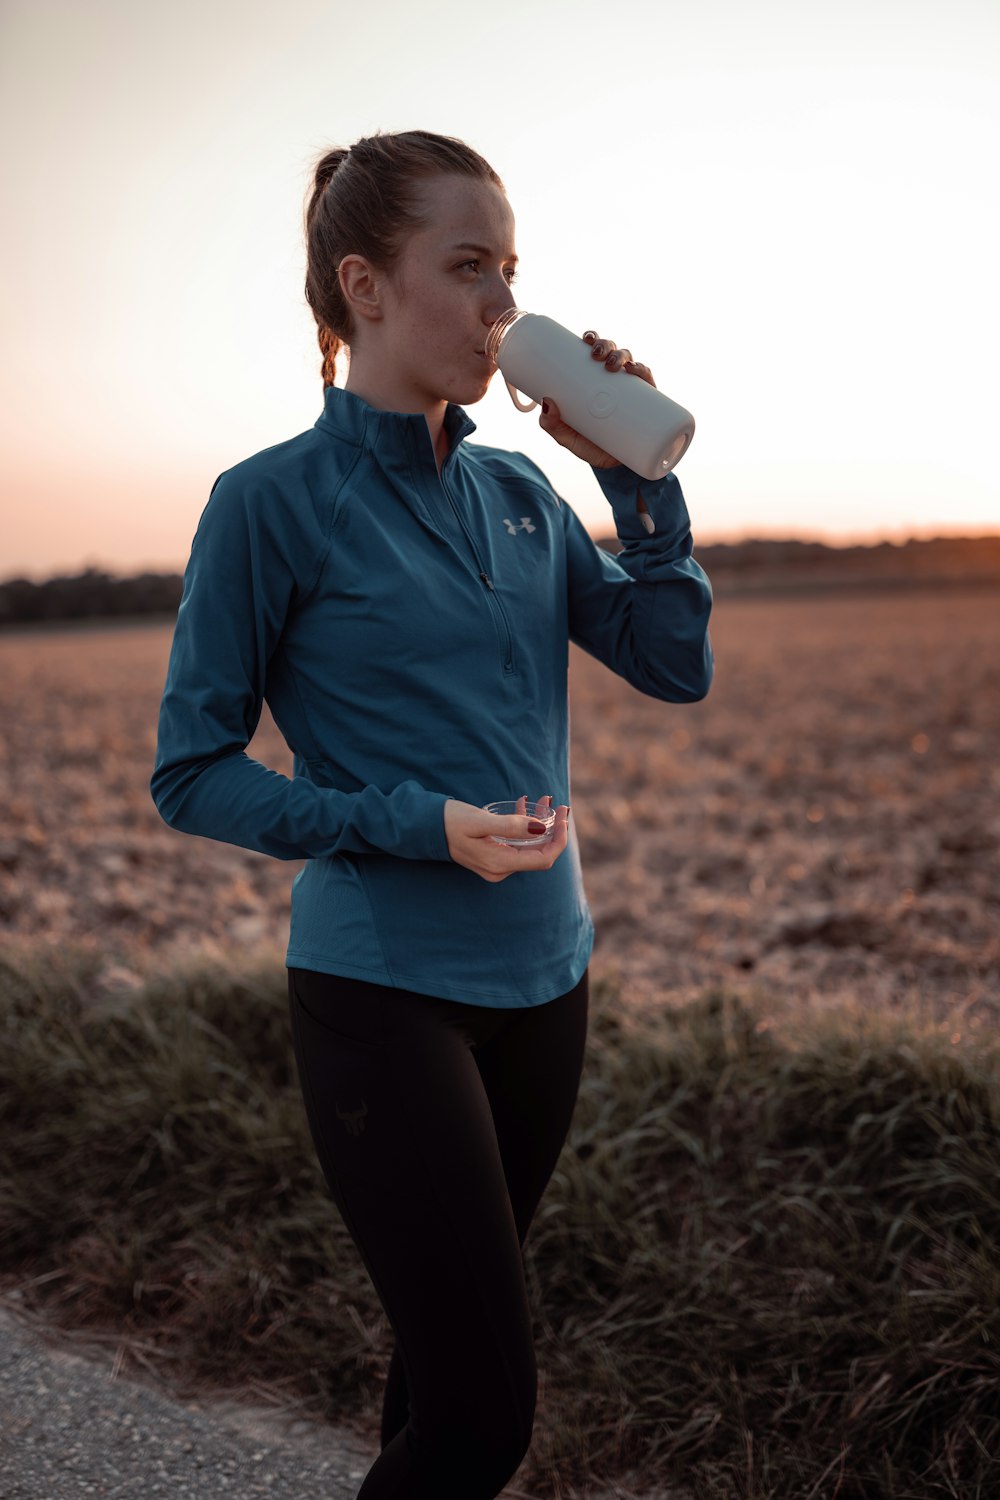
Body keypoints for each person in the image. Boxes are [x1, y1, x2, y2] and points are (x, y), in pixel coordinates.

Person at [151, 129, 713, 1500]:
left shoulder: (521, 489)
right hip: (380, 990)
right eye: (468, 270)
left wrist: (635, 477)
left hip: (547, 983)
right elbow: (191, 771)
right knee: (483, 1418)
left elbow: (674, 665)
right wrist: (413, 823)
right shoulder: (267, 504)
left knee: (439, 1374)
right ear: (365, 288)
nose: (501, 309)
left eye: (510, 272)